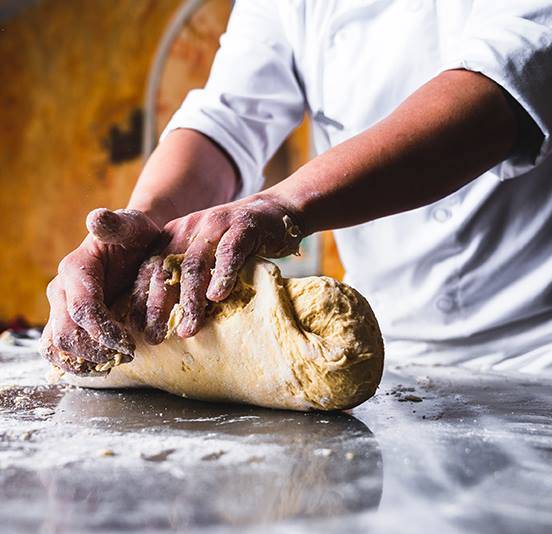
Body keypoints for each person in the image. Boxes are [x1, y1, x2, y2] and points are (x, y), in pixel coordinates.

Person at [41, 1, 552, 374]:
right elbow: (229, 120)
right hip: (381, 355)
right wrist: (147, 223)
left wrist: (282, 204)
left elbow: (497, 95)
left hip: (536, 349)